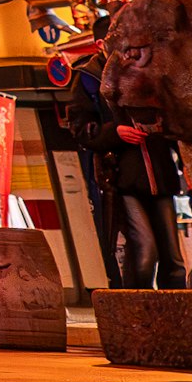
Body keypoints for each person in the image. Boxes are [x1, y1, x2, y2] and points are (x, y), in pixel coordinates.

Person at [66, 61, 173, 289]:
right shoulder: (89, 77)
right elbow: (81, 127)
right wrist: (114, 132)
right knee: (145, 252)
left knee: (173, 258)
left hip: (162, 176)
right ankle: (138, 308)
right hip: (123, 178)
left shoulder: (150, 67)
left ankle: (177, 310)